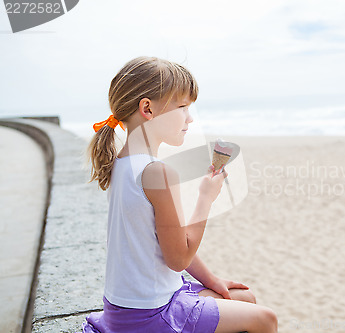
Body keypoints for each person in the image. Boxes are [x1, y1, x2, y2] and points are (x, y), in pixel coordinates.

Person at [81, 56, 278, 333]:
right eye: (183, 106)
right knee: (265, 318)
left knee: (243, 298)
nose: (190, 117)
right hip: (150, 315)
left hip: (125, 311)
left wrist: (211, 279)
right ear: (147, 109)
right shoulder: (157, 172)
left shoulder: (121, 163)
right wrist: (206, 197)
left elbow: (163, 239)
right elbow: (178, 259)